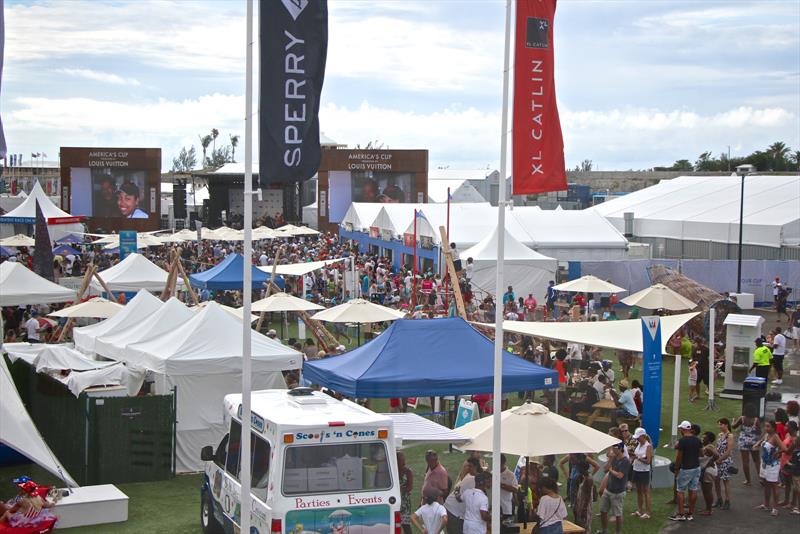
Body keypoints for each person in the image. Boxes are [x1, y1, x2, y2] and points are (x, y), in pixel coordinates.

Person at [670, 420, 702, 521]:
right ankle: (690, 513)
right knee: (693, 489)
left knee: (680, 490)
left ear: (683, 429)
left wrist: (676, 468)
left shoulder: (683, 441)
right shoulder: (697, 440)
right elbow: (701, 454)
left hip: (686, 468)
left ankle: (681, 514)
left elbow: (679, 457)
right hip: (696, 468)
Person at [755, 419, 787, 516]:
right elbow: (763, 440)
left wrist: (777, 453)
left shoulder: (775, 437)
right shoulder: (766, 435)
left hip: (773, 465)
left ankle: (775, 508)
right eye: (765, 426)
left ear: (773, 428)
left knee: (774, 485)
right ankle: (766, 504)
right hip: (764, 463)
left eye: (768, 426)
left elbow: (784, 448)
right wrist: (758, 443)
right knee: (766, 483)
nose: (766, 428)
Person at [597, 443, 629, 534]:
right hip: (608, 490)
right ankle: (604, 531)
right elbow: (605, 469)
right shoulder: (614, 458)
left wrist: (611, 470)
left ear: (620, 449)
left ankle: (618, 532)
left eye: (614, 448)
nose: (613, 450)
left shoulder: (625, 461)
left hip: (618, 492)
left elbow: (620, 475)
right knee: (603, 511)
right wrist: (610, 460)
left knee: (618, 514)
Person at [444, 457, 480, 533]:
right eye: (467, 466)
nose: (468, 468)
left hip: (453, 510)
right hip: (453, 511)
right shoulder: (471, 479)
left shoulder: (472, 478)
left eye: (470, 466)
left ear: (476, 467)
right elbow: (460, 498)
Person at [734, 414, 762, 485]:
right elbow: (759, 432)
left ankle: (748, 480)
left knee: (745, 462)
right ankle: (761, 478)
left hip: (743, 442)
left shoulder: (742, 418)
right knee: (757, 461)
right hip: (754, 442)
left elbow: (734, 426)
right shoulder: (756, 420)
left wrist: (733, 421)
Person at [631, 427, 652, 519]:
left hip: (644, 471)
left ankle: (647, 512)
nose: (637, 439)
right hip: (636, 469)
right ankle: (639, 510)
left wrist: (637, 458)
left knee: (645, 491)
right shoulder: (638, 444)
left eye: (638, 437)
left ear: (643, 436)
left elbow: (648, 461)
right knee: (638, 491)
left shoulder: (648, 446)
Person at [713, 418, 734, 509]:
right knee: (717, 480)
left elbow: (728, 451)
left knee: (725, 481)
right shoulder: (720, 435)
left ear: (726, 425)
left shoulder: (730, 436)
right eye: (719, 424)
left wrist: (720, 459)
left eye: (721, 424)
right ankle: (719, 499)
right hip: (718, 460)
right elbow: (717, 447)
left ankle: (727, 501)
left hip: (725, 461)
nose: (720, 426)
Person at [699, 432, 720, 516]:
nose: (702, 439)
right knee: (705, 490)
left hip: (709, 471)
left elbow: (716, 455)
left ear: (709, 440)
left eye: (704, 438)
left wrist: (710, 462)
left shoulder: (709, 447)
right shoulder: (706, 447)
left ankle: (709, 510)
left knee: (707, 491)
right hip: (707, 470)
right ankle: (707, 508)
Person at [572, 461, 595, 530]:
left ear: (583, 468)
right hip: (581, 502)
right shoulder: (584, 476)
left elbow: (588, 496)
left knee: (584, 524)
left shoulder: (588, 479)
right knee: (579, 522)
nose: (577, 469)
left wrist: (584, 509)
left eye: (578, 468)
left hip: (585, 504)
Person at [397, 452, 414, 534]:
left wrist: (400, 489)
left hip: (405, 502)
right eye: (400, 460)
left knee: (406, 525)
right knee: (396, 524)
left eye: (402, 460)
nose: (402, 462)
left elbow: (410, 487)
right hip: (396, 501)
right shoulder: (394, 471)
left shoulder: (408, 471)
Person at [499, 455, 517, 519]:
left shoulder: (510, 474)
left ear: (503, 463)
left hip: (506, 507)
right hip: (495, 507)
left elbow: (515, 489)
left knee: (506, 527)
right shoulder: (493, 472)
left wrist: (502, 486)